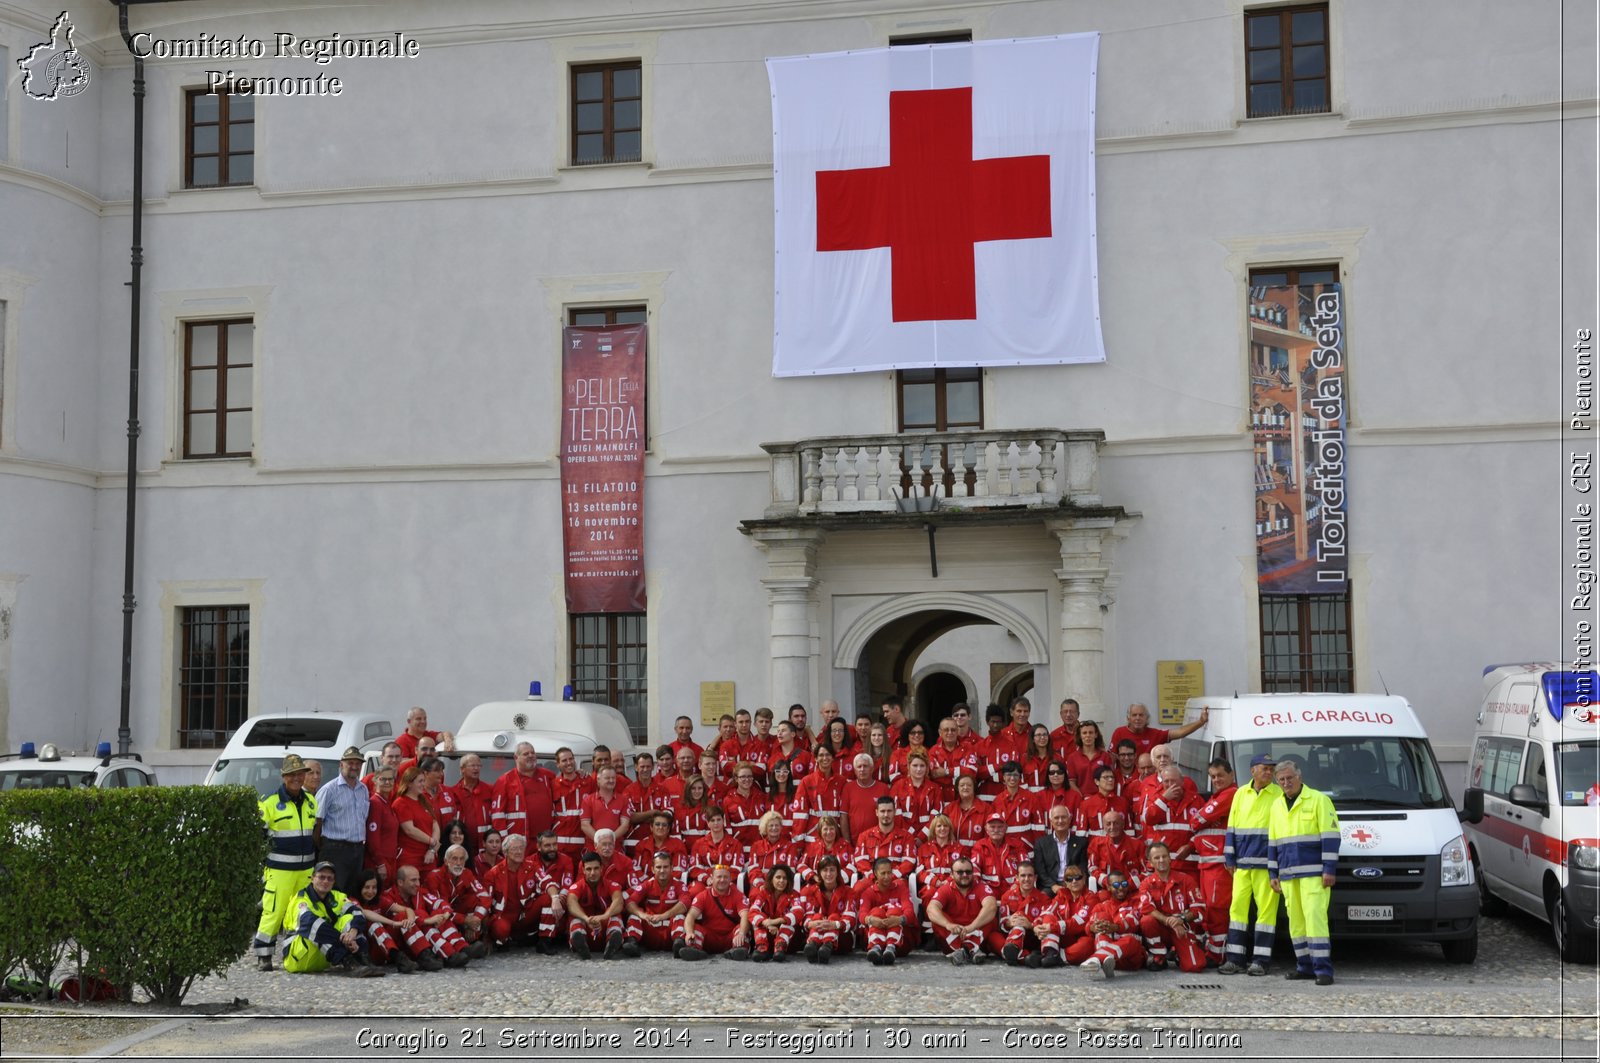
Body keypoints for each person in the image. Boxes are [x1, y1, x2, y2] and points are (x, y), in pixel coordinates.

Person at [1268, 759, 1340, 985]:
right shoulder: (1277, 805)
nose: (1286, 782)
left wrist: (1329, 869)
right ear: (1277, 782)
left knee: (1315, 921)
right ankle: (1304, 966)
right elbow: (1273, 842)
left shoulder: (1319, 800)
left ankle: (1323, 970)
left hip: (1314, 875)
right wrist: (1273, 873)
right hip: (1288, 875)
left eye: (1290, 778)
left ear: (1300, 777)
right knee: (1296, 924)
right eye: (1282, 780)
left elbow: (1331, 837)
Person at [1219, 753, 1284, 976]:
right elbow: (1232, 826)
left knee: (1266, 916)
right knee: (1237, 911)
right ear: (1252, 771)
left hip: (1267, 866)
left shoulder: (1279, 794)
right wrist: (1229, 857)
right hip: (1242, 866)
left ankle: (1260, 961)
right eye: (1264, 768)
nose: (1269, 772)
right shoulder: (1240, 793)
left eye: (1271, 769)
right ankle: (1235, 959)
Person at [254, 754, 320, 970]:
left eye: (300, 774)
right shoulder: (270, 803)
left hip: (305, 870)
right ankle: (264, 955)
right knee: (274, 911)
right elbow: (258, 837)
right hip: (279, 870)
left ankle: (293, 954)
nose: (296, 778)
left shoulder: (310, 800)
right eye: (291, 774)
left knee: (299, 913)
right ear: (284, 777)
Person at [281, 861, 384, 977]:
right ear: (312, 878)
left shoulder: (336, 896)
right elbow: (309, 923)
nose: (325, 881)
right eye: (321, 877)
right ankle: (349, 963)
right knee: (317, 928)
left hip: (322, 957)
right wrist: (342, 939)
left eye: (330, 878)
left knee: (349, 919)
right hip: (297, 958)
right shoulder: (300, 899)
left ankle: (364, 960)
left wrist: (352, 932)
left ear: (334, 881)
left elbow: (357, 912)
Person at [379, 863, 477, 969]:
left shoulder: (419, 892)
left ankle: (460, 948)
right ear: (400, 882)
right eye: (413, 880)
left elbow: (439, 902)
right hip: (399, 944)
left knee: (438, 912)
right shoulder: (387, 897)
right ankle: (435, 955)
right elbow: (399, 920)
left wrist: (446, 913)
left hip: (418, 940)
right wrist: (425, 921)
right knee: (416, 914)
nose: (417, 884)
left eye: (418, 879)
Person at [482, 834, 562, 950]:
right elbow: (486, 903)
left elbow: (548, 881)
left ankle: (545, 941)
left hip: (526, 914)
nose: (519, 851)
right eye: (515, 848)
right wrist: (485, 936)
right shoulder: (493, 874)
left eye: (521, 848)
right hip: (504, 916)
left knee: (548, 898)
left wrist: (555, 898)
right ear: (506, 852)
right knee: (501, 929)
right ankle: (503, 940)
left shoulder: (532, 866)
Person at [1138, 840, 1206, 972]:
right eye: (1156, 858)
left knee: (1195, 966)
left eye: (1164, 856)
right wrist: (1169, 921)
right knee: (1146, 920)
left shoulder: (1186, 879)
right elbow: (1146, 908)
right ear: (1150, 863)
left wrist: (1181, 919)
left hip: (1181, 927)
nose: (1161, 860)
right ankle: (1159, 955)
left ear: (1170, 858)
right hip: (1161, 927)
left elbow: (1199, 909)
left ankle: (1177, 953)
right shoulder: (1146, 883)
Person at [314, 745, 370, 895]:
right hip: (335, 849)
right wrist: (323, 847)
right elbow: (317, 822)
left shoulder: (363, 789)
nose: (354, 767)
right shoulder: (329, 789)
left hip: (357, 850)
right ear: (341, 764)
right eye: (350, 763)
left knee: (352, 893)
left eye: (358, 764)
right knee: (333, 892)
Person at [925, 856, 998, 965]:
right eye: (960, 872)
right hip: (953, 936)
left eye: (968, 872)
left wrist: (971, 927)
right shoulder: (946, 888)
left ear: (973, 873)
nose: (964, 875)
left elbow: (991, 906)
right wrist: (948, 925)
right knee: (938, 919)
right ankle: (969, 950)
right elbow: (931, 908)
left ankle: (965, 950)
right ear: (952, 874)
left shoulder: (980, 886)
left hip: (977, 935)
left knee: (990, 918)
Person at [1076, 870, 1145, 978]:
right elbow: (1088, 926)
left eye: (1124, 884)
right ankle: (1105, 961)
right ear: (1108, 887)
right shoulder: (1101, 906)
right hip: (1111, 960)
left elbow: (1133, 922)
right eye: (1116, 885)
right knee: (1101, 919)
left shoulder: (1135, 903)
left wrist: (1115, 927)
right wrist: (1093, 928)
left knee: (1130, 940)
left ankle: (1098, 958)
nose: (1121, 888)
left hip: (1131, 956)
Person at [678, 864, 752, 961]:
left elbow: (745, 915)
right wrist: (689, 933)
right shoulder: (703, 896)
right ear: (712, 879)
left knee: (743, 929)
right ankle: (694, 949)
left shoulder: (738, 895)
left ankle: (738, 950)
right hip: (710, 938)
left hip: (731, 937)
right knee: (695, 928)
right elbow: (690, 916)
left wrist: (741, 933)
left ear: (730, 880)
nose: (722, 880)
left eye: (725, 877)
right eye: (719, 877)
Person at [424, 843, 492, 946]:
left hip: (457, 914)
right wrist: (465, 920)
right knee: (440, 915)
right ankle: (458, 946)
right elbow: (439, 909)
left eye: (462, 859)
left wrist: (475, 919)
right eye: (454, 859)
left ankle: (474, 938)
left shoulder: (467, 873)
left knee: (473, 899)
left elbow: (484, 897)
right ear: (446, 861)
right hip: (438, 916)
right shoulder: (434, 877)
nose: (459, 863)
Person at [490, 741, 555, 844]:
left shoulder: (548, 776)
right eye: (526, 754)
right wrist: (504, 841)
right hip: (518, 842)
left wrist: (580, 773)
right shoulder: (504, 781)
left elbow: (565, 782)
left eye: (532, 753)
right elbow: (498, 815)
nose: (531, 755)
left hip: (544, 841)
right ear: (516, 758)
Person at [793, 855, 855, 964]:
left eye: (832, 870)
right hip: (816, 933)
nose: (828, 874)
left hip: (841, 940)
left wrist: (835, 924)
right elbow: (806, 917)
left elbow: (851, 919)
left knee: (834, 917)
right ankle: (813, 946)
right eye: (825, 870)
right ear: (819, 872)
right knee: (816, 917)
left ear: (838, 872)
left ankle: (827, 945)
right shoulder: (809, 891)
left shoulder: (848, 891)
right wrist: (811, 924)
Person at [625, 851, 689, 954]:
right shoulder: (647, 885)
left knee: (680, 917)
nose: (662, 870)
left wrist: (664, 915)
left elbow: (685, 903)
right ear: (652, 869)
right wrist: (643, 915)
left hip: (670, 932)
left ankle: (679, 945)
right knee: (635, 915)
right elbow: (629, 902)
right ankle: (631, 943)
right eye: (658, 867)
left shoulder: (679, 885)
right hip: (651, 928)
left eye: (665, 867)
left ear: (672, 868)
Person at [350, 867, 413, 973]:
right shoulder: (352, 900)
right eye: (367, 887)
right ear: (359, 887)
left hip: (383, 948)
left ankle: (422, 955)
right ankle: (397, 957)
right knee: (373, 923)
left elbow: (407, 909)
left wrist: (410, 920)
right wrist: (393, 923)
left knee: (403, 916)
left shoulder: (380, 900)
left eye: (374, 887)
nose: (370, 891)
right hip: (367, 951)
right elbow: (365, 913)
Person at [566, 851, 627, 959]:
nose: (593, 873)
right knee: (575, 917)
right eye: (589, 869)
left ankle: (612, 945)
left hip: (604, 927)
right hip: (586, 926)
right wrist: (586, 918)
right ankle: (581, 946)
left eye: (596, 868)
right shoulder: (576, 887)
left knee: (615, 915)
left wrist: (604, 917)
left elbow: (619, 902)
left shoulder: (612, 885)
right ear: (583, 870)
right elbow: (571, 903)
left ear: (601, 868)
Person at [855, 856, 916, 964]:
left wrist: (899, 920)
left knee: (895, 911)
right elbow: (862, 914)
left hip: (900, 944)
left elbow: (910, 912)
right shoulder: (868, 892)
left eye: (889, 873)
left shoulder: (901, 888)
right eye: (883, 873)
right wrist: (871, 920)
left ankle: (891, 947)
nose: (887, 877)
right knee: (876, 912)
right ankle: (877, 947)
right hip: (872, 939)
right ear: (875, 874)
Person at [997, 860, 1055, 966]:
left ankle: (1014, 955)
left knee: (1020, 925)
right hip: (1012, 935)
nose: (1026, 879)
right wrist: (1009, 923)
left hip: (1033, 938)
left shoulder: (1044, 899)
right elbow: (1002, 924)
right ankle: (1027, 957)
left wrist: (1030, 925)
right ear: (1017, 878)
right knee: (995, 937)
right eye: (1023, 876)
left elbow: (1044, 927)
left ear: (1035, 878)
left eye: (1030, 876)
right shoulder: (1007, 896)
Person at [850, 796, 918, 883]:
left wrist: (889, 877)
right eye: (882, 811)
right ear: (876, 812)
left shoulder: (906, 837)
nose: (886, 815)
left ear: (894, 812)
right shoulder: (864, 836)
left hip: (896, 880)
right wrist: (874, 877)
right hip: (872, 880)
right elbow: (860, 861)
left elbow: (909, 862)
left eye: (889, 811)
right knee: (857, 890)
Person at [1111, 702, 1208, 760]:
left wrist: (1201, 722)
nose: (1138, 718)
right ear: (1128, 718)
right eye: (1134, 715)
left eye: (1141, 715)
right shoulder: (1119, 733)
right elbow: (1112, 758)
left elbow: (1180, 732)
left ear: (1147, 718)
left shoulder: (1154, 734)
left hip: (1148, 778)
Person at [747, 863, 800, 961]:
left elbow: (798, 913)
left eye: (785, 878)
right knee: (758, 918)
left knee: (789, 920)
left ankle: (780, 947)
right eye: (778, 877)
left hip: (788, 940)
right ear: (771, 879)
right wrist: (766, 923)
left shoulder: (794, 894)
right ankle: (761, 948)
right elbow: (753, 911)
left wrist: (776, 921)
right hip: (768, 932)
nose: (781, 881)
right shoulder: (763, 893)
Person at [392, 766, 439, 872]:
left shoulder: (424, 800)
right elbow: (410, 830)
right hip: (410, 857)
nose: (423, 784)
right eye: (420, 781)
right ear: (409, 783)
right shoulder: (401, 803)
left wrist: (432, 850)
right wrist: (432, 841)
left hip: (429, 856)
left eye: (424, 781)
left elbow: (435, 825)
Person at [791, 745, 843, 841]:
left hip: (835, 834)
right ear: (816, 759)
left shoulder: (841, 781)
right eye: (821, 755)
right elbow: (800, 813)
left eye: (828, 755)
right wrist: (798, 841)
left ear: (833, 758)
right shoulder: (806, 781)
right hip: (813, 836)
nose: (824, 758)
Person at [1032, 804, 1085, 894]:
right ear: (1051, 821)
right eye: (1056, 818)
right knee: (1042, 898)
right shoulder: (1041, 843)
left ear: (1069, 819)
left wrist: (1071, 883)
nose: (1060, 821)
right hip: (1049, 886)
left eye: (1063, 817)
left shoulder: (1081, 843)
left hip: (1073, 884)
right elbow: (1040, 870)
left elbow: (1082, 868)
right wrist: (1053, 885)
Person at [550, 746, 593, 857]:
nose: (569, 763)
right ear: (557, 764)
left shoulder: (588, 781)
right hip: (560, 846)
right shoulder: (553, 785)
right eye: (564, 760)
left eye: (571, 759)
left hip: (583, 845)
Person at [839, 752, 890, 842]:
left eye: (865, 766)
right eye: (859, 767)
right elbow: (844, 816)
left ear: (872, 769)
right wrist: (847, 841)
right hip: (854, 842)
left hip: (878, 841)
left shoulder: (883, 788)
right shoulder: (848, 788)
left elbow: (889, 815)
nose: (862, 769)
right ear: (855, 771)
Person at [928, 716, 981, 801]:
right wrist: (960, 772)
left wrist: (946, 772)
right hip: (941, 800)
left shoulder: (968, 748)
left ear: (957, 732)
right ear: (940, 732)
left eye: (953, 730)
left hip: (963, 800)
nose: (950, 732)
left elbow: (972, 772)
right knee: (939, 815)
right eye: (946, 730)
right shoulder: (933, 752)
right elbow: (935, 774)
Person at [363, 765, 400, 889]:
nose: (387, 782)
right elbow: (372, 837)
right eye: (383, 779)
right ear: (375, 780)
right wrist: (380, 863)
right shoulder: (375, 803)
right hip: (379, 862)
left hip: (390, 860)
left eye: (390, 779)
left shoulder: (386, 803)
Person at [1086, 811, 1144, 888]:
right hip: (1107, 890)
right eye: (1108, 824)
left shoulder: (1137, 845)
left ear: (1123, 824)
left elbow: (1146, 871)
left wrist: (1128, 885)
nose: (1112, 827)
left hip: (1132, 890)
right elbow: (1092, 868)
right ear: (1104, 826)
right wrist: (1107, 882)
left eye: (1116, 823)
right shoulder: (1096, 844)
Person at [971, 813, 1028, 891]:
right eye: (992, 827)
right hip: (988, 891)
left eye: (1000, 827)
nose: (996, 830)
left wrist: (1017, 884)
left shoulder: (1017, 845)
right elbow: (974, 869)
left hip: (1014, 890)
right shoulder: (980, 846)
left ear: (1006, 828)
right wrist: (982, 890)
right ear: (986, 829)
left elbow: (1026, 867)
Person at [688, 807, 743, 886]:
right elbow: (694, 868)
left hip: (726, 882)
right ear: (707, 823)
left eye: (718, 819)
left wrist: (719, 879)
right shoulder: (698, 844)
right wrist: (706, 879)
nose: (716, 823)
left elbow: (736, 869)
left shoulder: (736, 844)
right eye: (712, 820)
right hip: (705, 882)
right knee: (694, 891)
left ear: (723, 821)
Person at [723, 762, 771, 850]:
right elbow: (727, 827)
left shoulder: (762, 797)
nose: (747, 779)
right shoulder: (728, 800)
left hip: (759, 848)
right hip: (737, 849)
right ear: (736, 779)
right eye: (743, 777)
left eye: (749, 776)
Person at [634, 811, 691, 882]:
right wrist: (648, 883)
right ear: (651, 827)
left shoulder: (677, 844)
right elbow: (635, 869)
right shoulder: (642, 845)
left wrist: (662, 884)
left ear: (668, 829)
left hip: (670, 886)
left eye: (664, 825)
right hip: (645, 885)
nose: (660, 827)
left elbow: (678, 870)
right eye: (657, 824)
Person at [452, 753, 494, 849]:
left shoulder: (489, 790)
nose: (476, 768)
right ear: (462, 769)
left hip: (485, 844)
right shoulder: (453, 792)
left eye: (479, 765)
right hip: (461, 844)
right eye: (473, 765)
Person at [798, 815, 852, 885]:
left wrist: (838, 878)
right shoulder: (812, 846)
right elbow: (801, 865)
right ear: (820, 831)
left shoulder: (846, 846)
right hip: (816, 884)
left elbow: (853, 865)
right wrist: (813, 876)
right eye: (825, 829)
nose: (829, 832)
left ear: (836, 830)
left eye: (832, 829)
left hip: (840, 884)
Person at [943, 773, 987, 848]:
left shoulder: (986, 808)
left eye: (969, 785)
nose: (965, 787)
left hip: (978, 853)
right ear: (957, 788)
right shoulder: (949, 808)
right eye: (962, 785)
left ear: (974, 788)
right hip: (955, 854)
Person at [1068, 721, 1111, 792]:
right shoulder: (1072, 758)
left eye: (1091, 732)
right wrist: (1081, 797)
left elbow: (1109, 779)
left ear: (1096, 735)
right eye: (1084, 733)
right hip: (1081, 799)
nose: (1088, 735)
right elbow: (1071, 782)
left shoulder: (1105, 756)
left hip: (1100, 798)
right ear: (1080, 736)